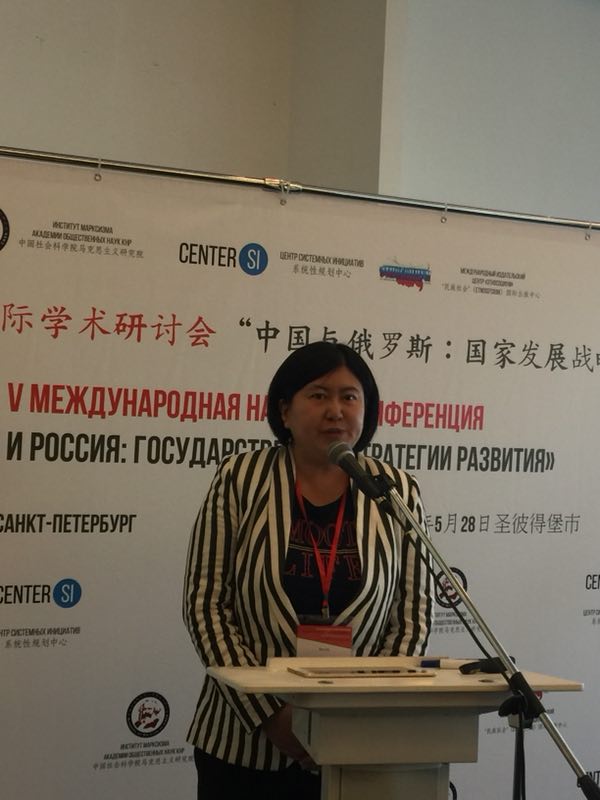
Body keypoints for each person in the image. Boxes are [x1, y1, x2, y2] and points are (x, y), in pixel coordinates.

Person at [183, 341, 433, 799]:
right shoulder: (241, 478)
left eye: (349, 397)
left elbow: (412, 615)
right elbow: (206, 604)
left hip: (357, 741)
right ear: (284, 410)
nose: (335, 410)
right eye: (318, 395)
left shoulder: (394, 489)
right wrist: (268, 714)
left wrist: (358, 716)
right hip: (244, 743)